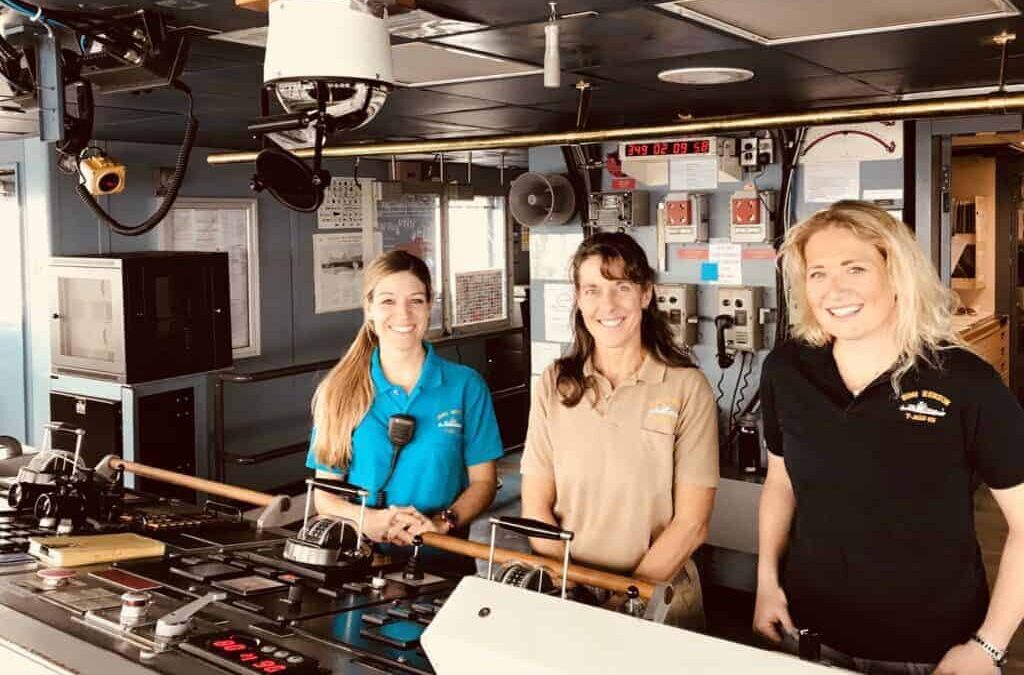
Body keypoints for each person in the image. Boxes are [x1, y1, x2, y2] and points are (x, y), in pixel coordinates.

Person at [755, 200, 1024, 675]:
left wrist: (988, 647)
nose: (833, 289)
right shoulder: (787, 369)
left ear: (896, 275)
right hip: (809, 634)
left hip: (931, 651)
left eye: (854, 268)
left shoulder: (965, 381)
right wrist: (766, 581)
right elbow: (781, 482)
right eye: (817, 273)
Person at [521, 232, 718, 628]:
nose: (607, 305)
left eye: (621, 287)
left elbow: (692, 524)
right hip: (570, 593)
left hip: (658, 598)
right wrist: (576, 587)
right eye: (592, 289)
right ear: (578, 298)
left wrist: (625, 597)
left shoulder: (685, 386)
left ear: (646, 295)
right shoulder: (555, 382)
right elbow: (536, 508)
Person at [306, 250, 503, 547]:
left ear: (429, 306)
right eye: (387, 301)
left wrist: (442, 523)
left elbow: (484, 483)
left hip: (442, 562)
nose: (403, 314)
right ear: (369, 308)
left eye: (416, 300)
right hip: (360, 560)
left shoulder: (466, 386)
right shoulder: (339, 390)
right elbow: (324, 495)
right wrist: (367, 520)